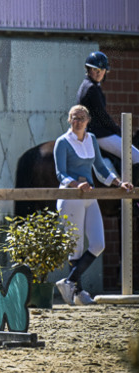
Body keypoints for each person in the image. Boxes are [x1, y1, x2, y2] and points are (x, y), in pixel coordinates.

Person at [54, 105, 133, 306]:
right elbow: (60, 173)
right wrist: (75, 183)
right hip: (71, 196)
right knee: (77, 248)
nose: (78, 121)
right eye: (74, 118)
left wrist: (118, 182)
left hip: (90, 196)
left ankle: (69, 281)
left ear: (88, 120)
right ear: (69, 120)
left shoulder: (91, 140)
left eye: (81, 118)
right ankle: (79, 293)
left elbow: (99, 167)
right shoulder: (62, 142)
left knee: (99, 244)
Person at [77, 51, 139, 165]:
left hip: (92, 131)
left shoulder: (87, 85)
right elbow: (102, 116)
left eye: (102, 70)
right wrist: (117, 130)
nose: (99, 73)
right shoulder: (92, 89)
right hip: (98, 133)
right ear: (89, 70)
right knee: (136, 156)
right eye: (95, 70)